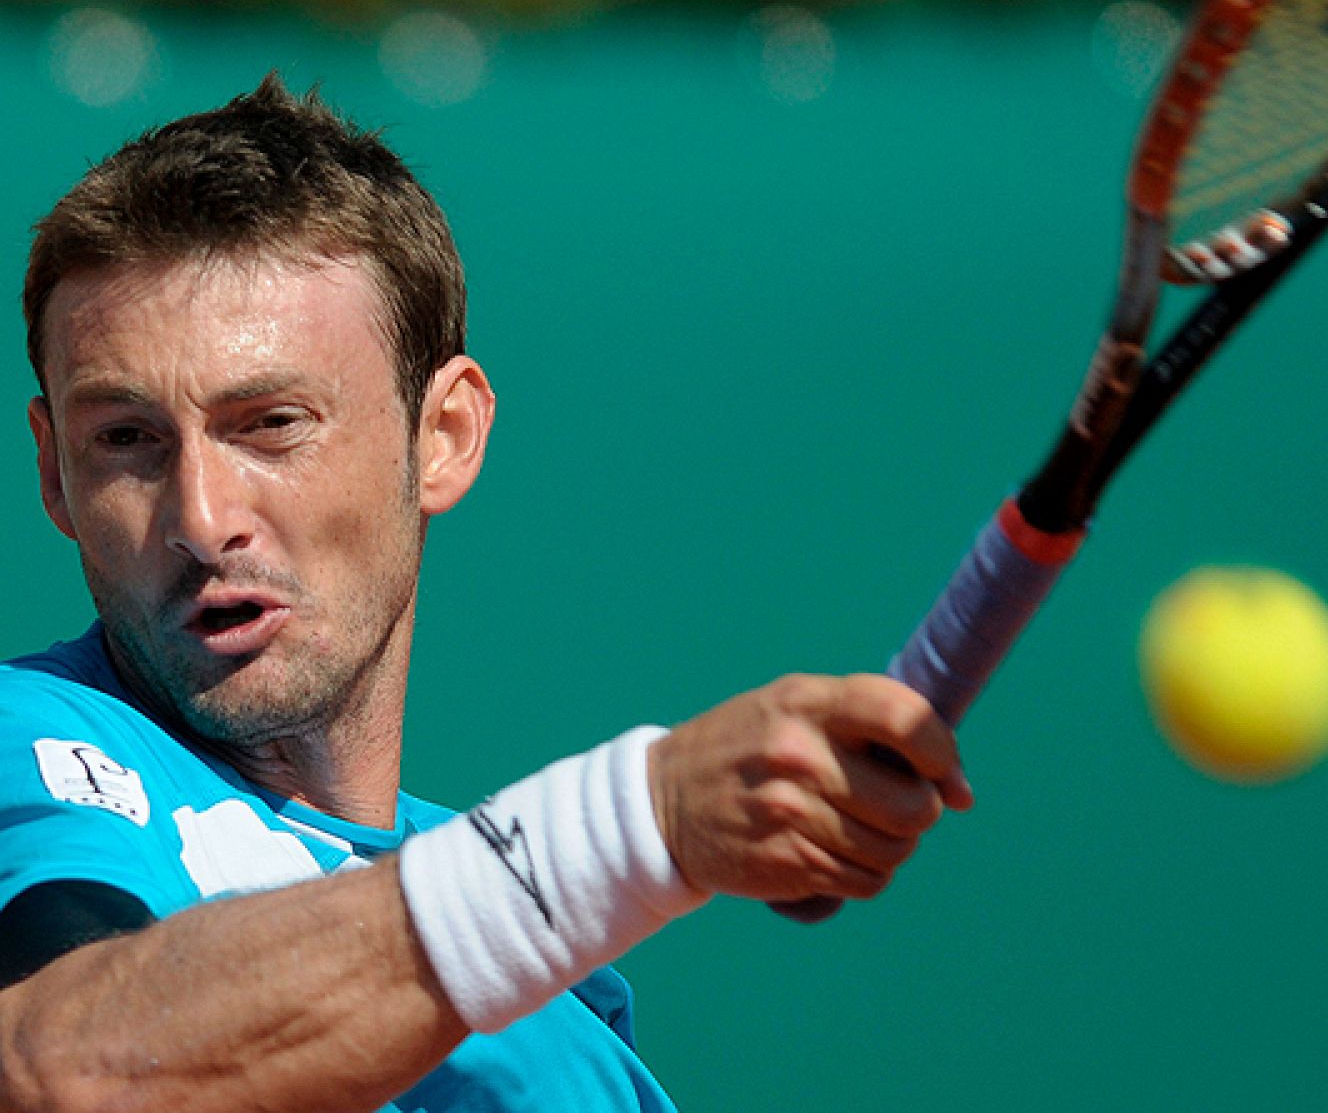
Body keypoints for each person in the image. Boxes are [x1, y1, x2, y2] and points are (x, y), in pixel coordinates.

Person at [0, 75, 972, 1112]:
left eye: (272, 423)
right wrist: (629, 829)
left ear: (444, 437)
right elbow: (67, 1071)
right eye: (125, 440)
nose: (200, 516)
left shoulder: (562, 1014)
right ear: (56, 474)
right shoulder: (35, 750)